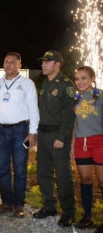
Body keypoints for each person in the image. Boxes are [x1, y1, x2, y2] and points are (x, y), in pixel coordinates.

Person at [0, 52, 39, 217]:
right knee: (2, 168)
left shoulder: (27, 84)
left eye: (12, 62)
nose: (8, 65)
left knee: (20, 168)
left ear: (19, 65)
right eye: (6, 61)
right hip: (0, 131)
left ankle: (18, 204)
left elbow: (33, 109)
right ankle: (6, 202)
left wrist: (33, 132)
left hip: (20, 132)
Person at [33, 50, 76, 227]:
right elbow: (41, 111)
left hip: (58, 137)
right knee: (43, 173)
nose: (43, 64)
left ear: (57, 65)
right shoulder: (44, 84)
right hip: (43, 135)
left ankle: (68, 212)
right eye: (43, 61)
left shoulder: (66, 85)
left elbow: (69, 115)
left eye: (47, 62)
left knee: (63, 175)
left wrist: (61, 137)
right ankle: (49, 206)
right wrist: (35, 132)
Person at [71, 66, 103, 232]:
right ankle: (88, 216)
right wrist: (71, 143)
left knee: (102, 181)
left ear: (92, 78)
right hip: (80, 143)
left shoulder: (100, 95)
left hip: (99, 142)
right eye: (77, 79)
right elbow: (74, 123)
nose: (80, 82)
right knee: (85, 179)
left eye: (84, 78)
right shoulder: (75, 98)